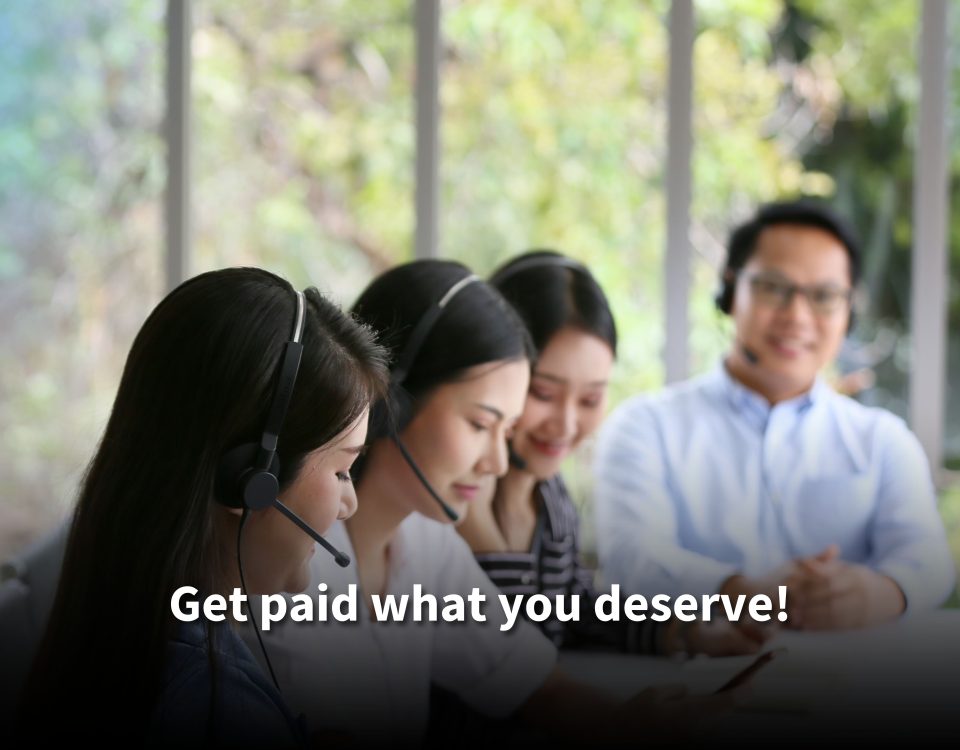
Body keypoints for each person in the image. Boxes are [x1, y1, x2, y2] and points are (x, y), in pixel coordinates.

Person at [258, 260, 734, 747]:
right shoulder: (285, 559)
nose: (497, 463)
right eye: (480, 425)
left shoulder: (425, 544)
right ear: (391, 398)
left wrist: (632, 722)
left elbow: (533, 683)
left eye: (506, 432)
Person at [14, 268, 388, 745]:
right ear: (252, 478)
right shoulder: (214, 703)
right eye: (341, 471)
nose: (349, 503)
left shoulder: (118, 634)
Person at [594, 201, 956, 630]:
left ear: (848, 313)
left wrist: (880, 593)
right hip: (694, 685)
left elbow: (928, 562)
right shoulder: (645, 427)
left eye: (824, 296)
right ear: (729, 292)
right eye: (774, 288)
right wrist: (740, 593)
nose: (797, 317)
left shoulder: (883, 441)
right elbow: (629, 560)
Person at [456, 250, 764, 656]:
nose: (566, 425)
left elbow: (577, 610)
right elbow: (505, 659)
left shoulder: (550, 499)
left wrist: (684, 633)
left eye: (590, 399)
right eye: (543, 393)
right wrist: (486, 537)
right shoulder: (451, 499)